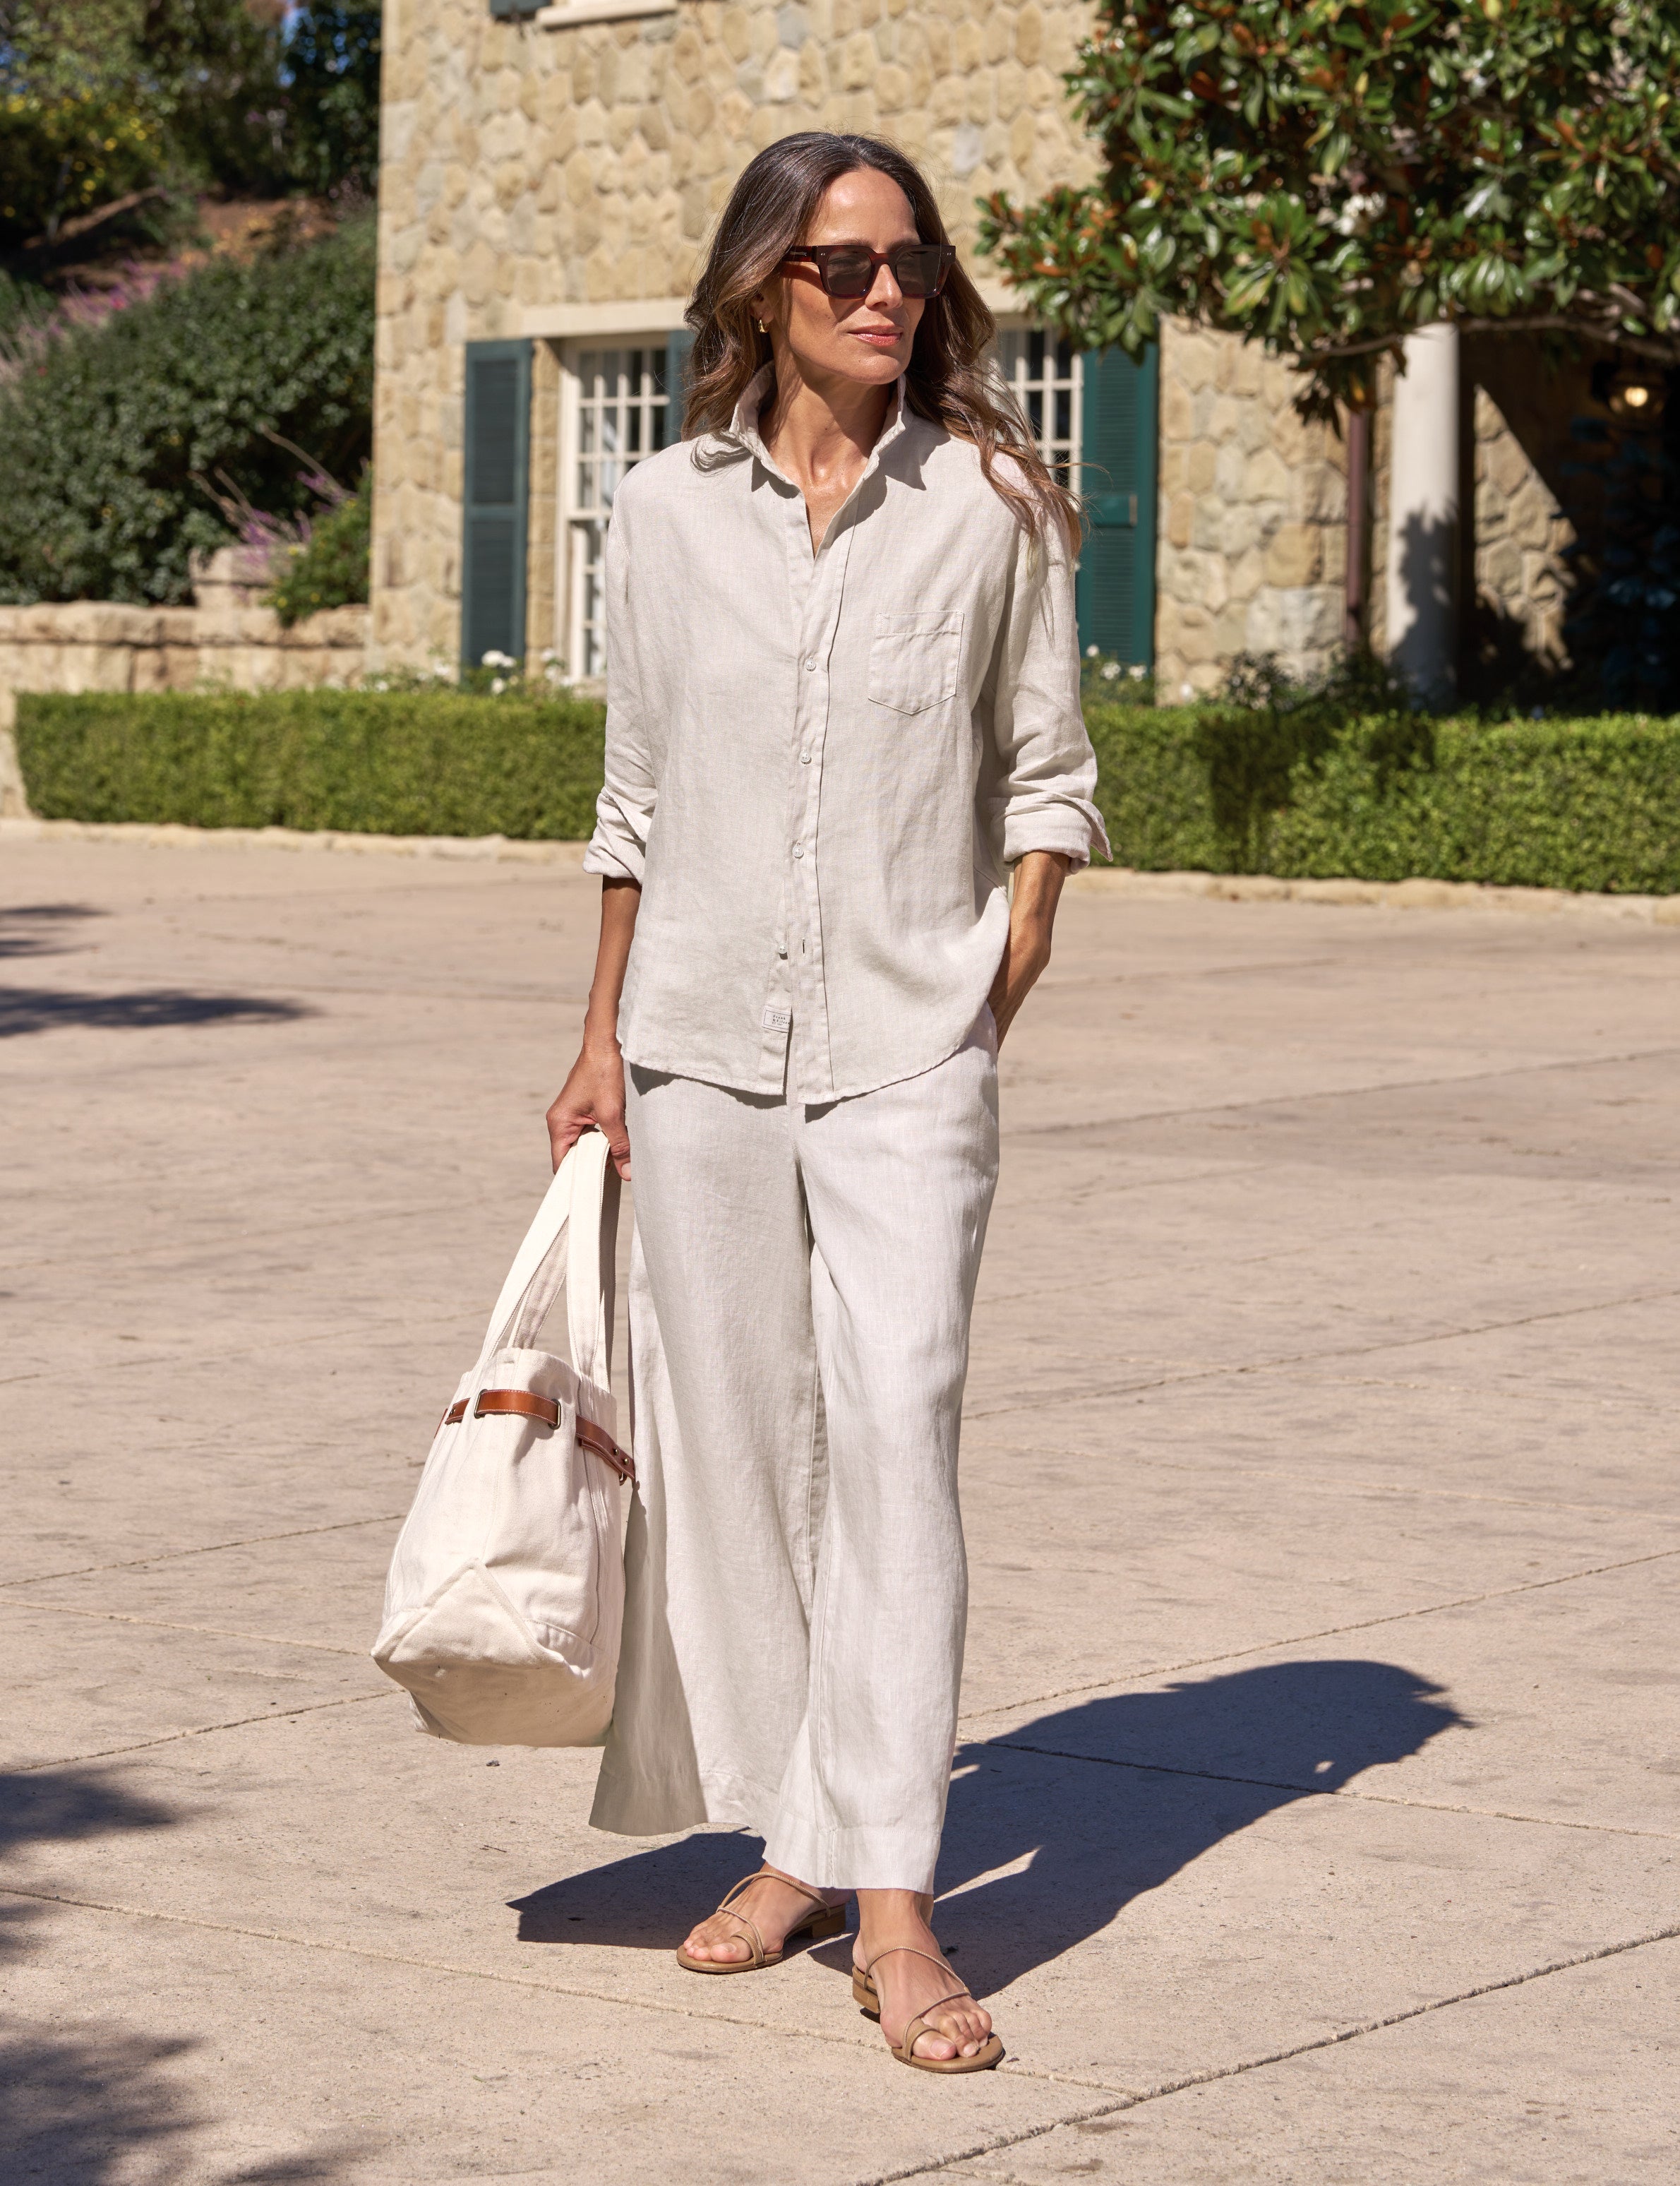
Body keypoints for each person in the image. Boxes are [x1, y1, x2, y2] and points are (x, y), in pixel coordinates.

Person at [546, 130, 1107, 2074]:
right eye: (843, 266)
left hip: (904, 1051)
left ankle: (893, 1903)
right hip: (695, 1046)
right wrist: (599, 1037)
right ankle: (797, 1836)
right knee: (742, 1460)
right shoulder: (659, 510)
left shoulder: (991, 506)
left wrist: (989, 993)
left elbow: (1048, 775)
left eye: (910, 266)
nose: (889, 297)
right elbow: (632, 799)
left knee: (892, 1440)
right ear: (756, 289)